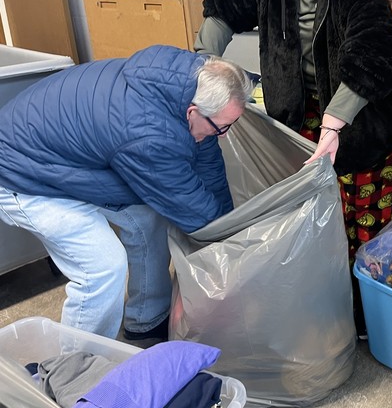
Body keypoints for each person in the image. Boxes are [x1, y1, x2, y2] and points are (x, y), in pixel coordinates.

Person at [195, 0, 392, 335]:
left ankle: (366, 317)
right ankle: (323, 306)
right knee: (312, 216)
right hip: (300, 113)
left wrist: (336, 124)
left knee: (365, 220)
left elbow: (372, 52)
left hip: (368, 116)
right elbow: (222, 8)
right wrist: (198, 67)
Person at [0, 45, 253, 341]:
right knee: (103, 267)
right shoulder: (150, 135)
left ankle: (147, 320)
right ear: (192, 112)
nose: (223, 135)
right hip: (19, 175)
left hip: (61, 157)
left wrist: (227, 222)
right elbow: (191, 210)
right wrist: (230, 247)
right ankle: (73, 364)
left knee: (148, 219)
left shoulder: (189, 84)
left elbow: (207, 163)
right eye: (221, 128)